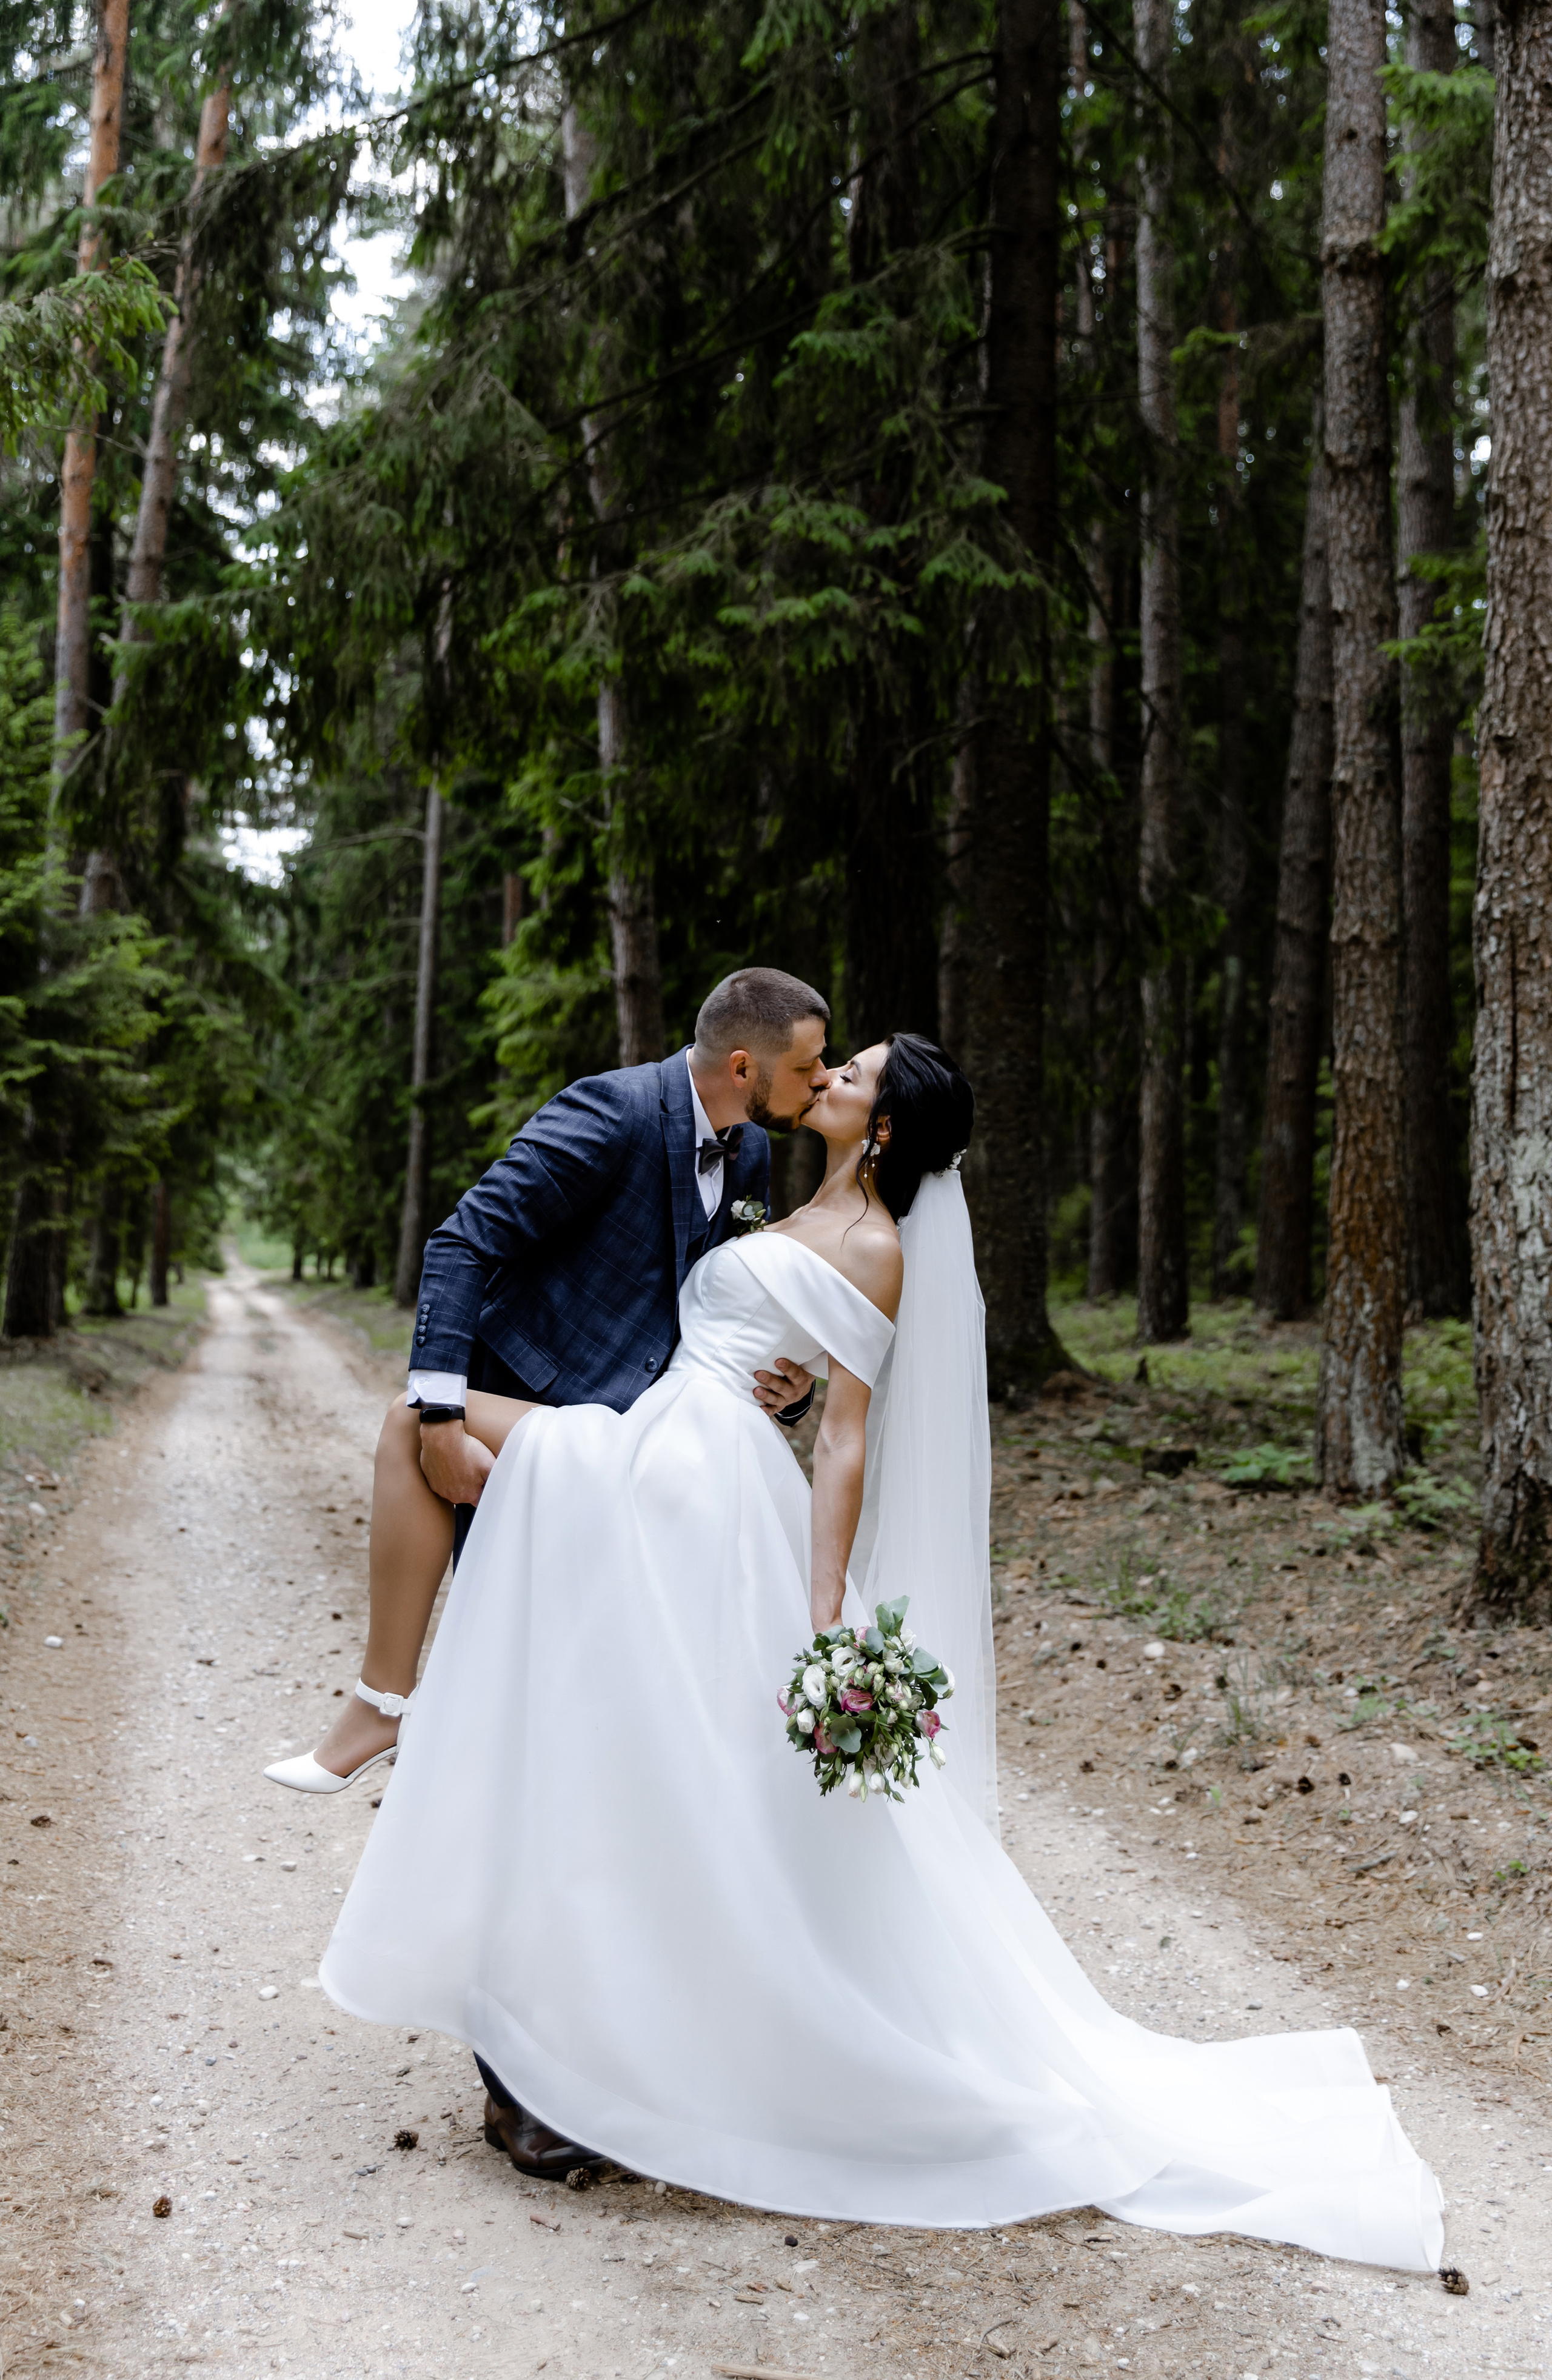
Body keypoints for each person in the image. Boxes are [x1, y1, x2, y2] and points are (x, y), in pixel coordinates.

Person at [314, 1031, 1444, 2266]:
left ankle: (395, 1714)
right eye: (830, 1065)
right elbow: (753, 1342)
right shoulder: (774, 1188)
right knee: (610, 1725)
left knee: (464, 1496)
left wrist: (819, 1607)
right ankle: (536, 1991)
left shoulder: (877, 1245)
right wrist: (771, 1379)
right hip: (674, 1442)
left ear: (887, 1127)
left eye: (850, 1077)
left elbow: (844, 1436)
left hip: (696, 1484)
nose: (829, 1083)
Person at [264, 966, 829, 1800]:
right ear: (745, 1066)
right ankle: (385, 1704)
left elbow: (722, 1302)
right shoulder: (613, 1111)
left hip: (655, 1424)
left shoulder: (749, 1151)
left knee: (570, 1701)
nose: (819, 1082)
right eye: (810, 1066)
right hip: (546, 1403)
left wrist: (789, 1390)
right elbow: (462, 1242)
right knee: (409, 1420)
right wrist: (444, 1415)